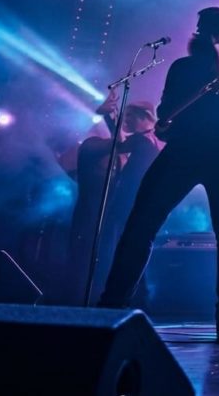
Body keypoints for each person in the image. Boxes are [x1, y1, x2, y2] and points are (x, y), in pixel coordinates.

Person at [98, 7, 219, 345]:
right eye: (199, 28)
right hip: (181, 153)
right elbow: (165, 115)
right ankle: (111, 306)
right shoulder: (181, 67)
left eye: (207, 30)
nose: (199, 34)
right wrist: (164, 127)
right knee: (140, 223)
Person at [65, 94, 161, 304]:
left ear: (144, 117)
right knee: (127, 247)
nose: (125, 121)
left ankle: (114, 297)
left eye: (130, 116)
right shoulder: (151, 141)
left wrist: (107, 117)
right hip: (131, 204)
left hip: (127, 204)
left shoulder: (142, 140)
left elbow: (120, 144)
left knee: (117, 248)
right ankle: (133, 295)